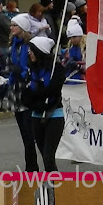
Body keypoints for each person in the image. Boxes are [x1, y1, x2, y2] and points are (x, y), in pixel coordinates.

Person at [21, 37, 65, 172]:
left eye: (32, 50)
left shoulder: (56, 69)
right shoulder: (31, 70)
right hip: (36, 115)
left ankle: (55, 188)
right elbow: (25, 96)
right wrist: (37, 102)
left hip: (54, 115)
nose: (29, 53)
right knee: (45, 158)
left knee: (48, 157)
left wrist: (38, 94)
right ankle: (50, 185)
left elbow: (53, 90)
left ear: (40, 52)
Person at [7, 13, 38, 171]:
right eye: (11, 25)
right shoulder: (13, 45)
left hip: (26, 89)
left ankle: (32, 167)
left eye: (14, 25)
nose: (11, 28)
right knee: (23, 133)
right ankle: (31, 166)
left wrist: (23, 71)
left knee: (29, 131)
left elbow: (34, 67)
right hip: (15, 90)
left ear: (23, 28)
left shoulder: (30, 45)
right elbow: (9, 64)